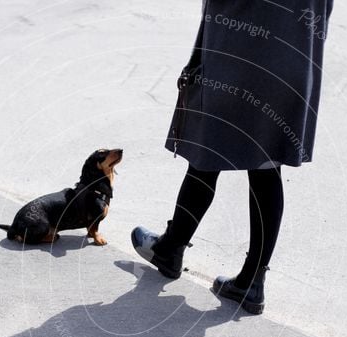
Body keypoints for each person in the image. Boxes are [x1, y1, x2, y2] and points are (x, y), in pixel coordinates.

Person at [132, 1, 334, 314]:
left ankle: (171, 248)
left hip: (242, 53)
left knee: (207, 148)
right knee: (267, 165)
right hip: (294, 56)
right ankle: (251, 281)